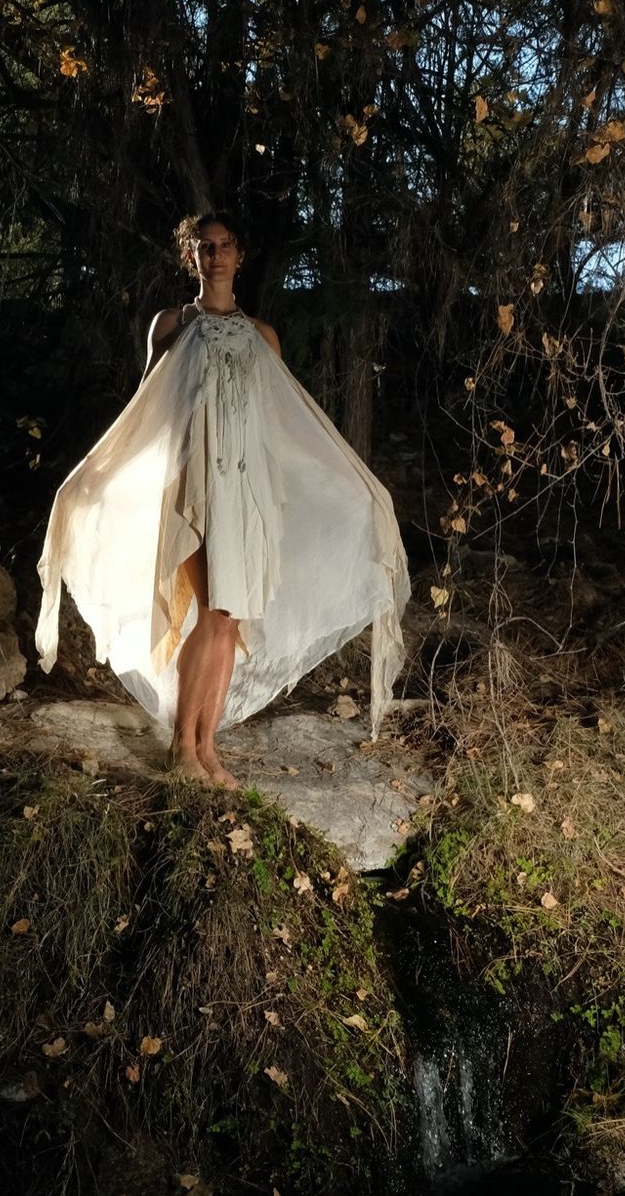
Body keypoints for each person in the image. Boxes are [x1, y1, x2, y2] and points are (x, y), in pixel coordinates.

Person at [36, 211, 410, 786]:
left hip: (247, 487)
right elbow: (147, 412)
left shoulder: (263, 337)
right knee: (212, 613)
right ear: (192, 257)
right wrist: (100, 474)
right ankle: (182, 746)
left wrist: (353, 483)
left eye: (225, 246)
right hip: (195, 487)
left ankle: (208, 747)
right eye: (204, 247)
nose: (215, 256)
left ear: (239, 255)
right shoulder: (170, 325)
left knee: (230, 620)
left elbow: (282, 420)